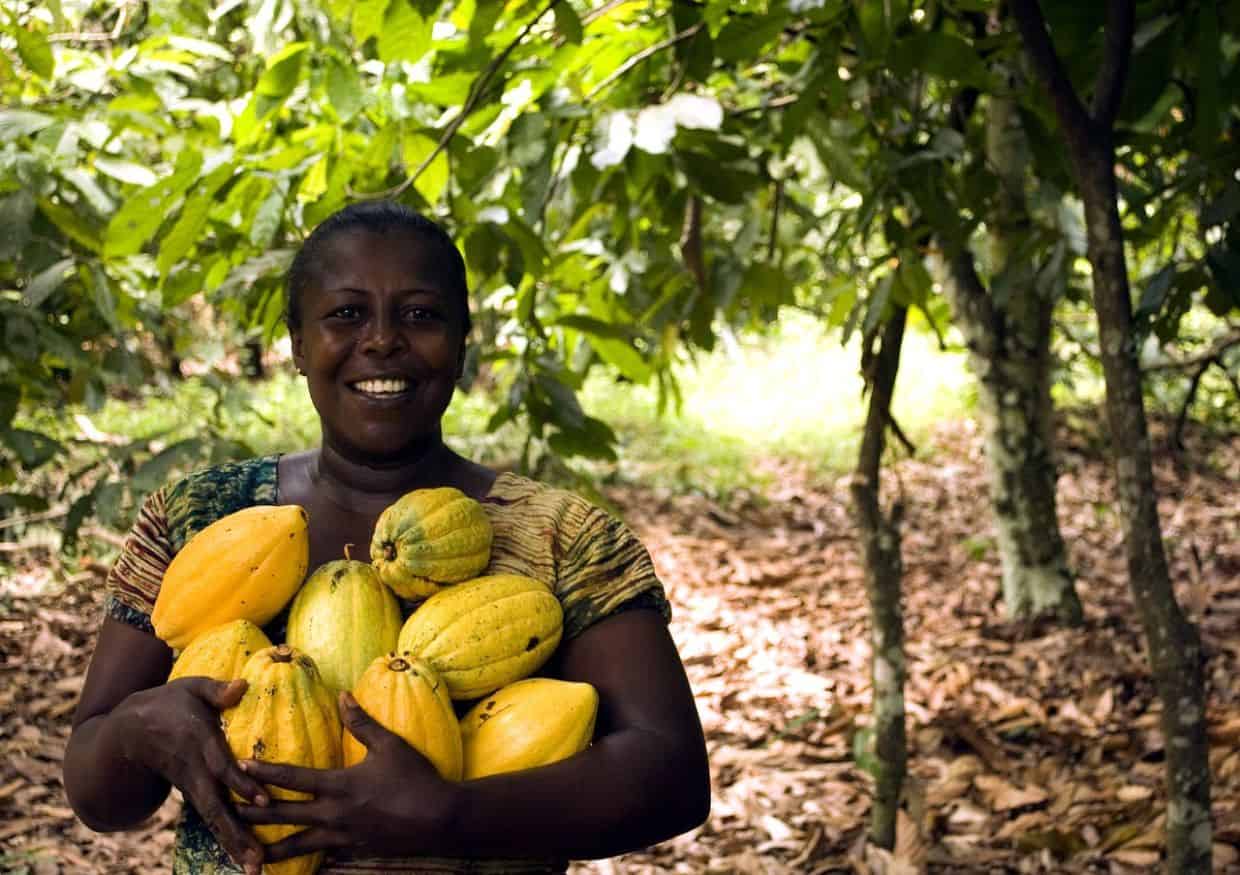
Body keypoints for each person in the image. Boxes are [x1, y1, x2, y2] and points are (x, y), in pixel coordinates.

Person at [63, 200, 711, 875]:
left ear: (463, 343)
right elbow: (96, 788)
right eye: (346, 314)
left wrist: (449, 814)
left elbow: (672, 777)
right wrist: (139, 732)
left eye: (420, 314)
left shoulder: (564, 539)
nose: (381, 341)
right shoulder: (197, 515)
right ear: (297, 344)